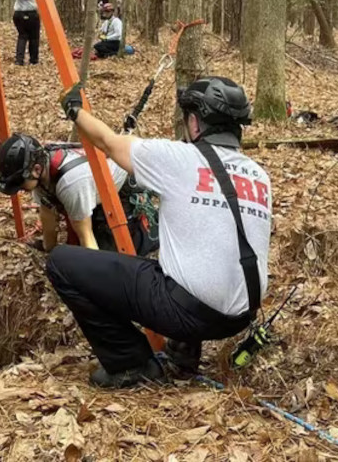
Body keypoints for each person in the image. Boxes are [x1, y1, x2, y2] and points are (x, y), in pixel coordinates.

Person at [47, 76, 271, 388]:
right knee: (189, 254)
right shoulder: (260, 177)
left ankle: (130, 362)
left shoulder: (178, 158)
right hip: (241, 315)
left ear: (195, 122)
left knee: (61, 261)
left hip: (187, 311)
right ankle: (183, 350)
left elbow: (109, 143)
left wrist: (74, 110)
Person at [0, 133, 156, 255]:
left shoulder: (70, 183)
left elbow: (86, 235)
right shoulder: (42, 166)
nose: (20, 189)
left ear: (36, 170)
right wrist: (48, 249)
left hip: (123, 185)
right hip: (90, 185)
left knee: (110, 253)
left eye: (20, 184)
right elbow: (47, 212)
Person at [12, 0, 40, 65]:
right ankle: (32, 60)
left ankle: (21, 60)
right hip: (27, 14)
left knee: (25, 36)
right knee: (32, 37)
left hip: (20, 14)